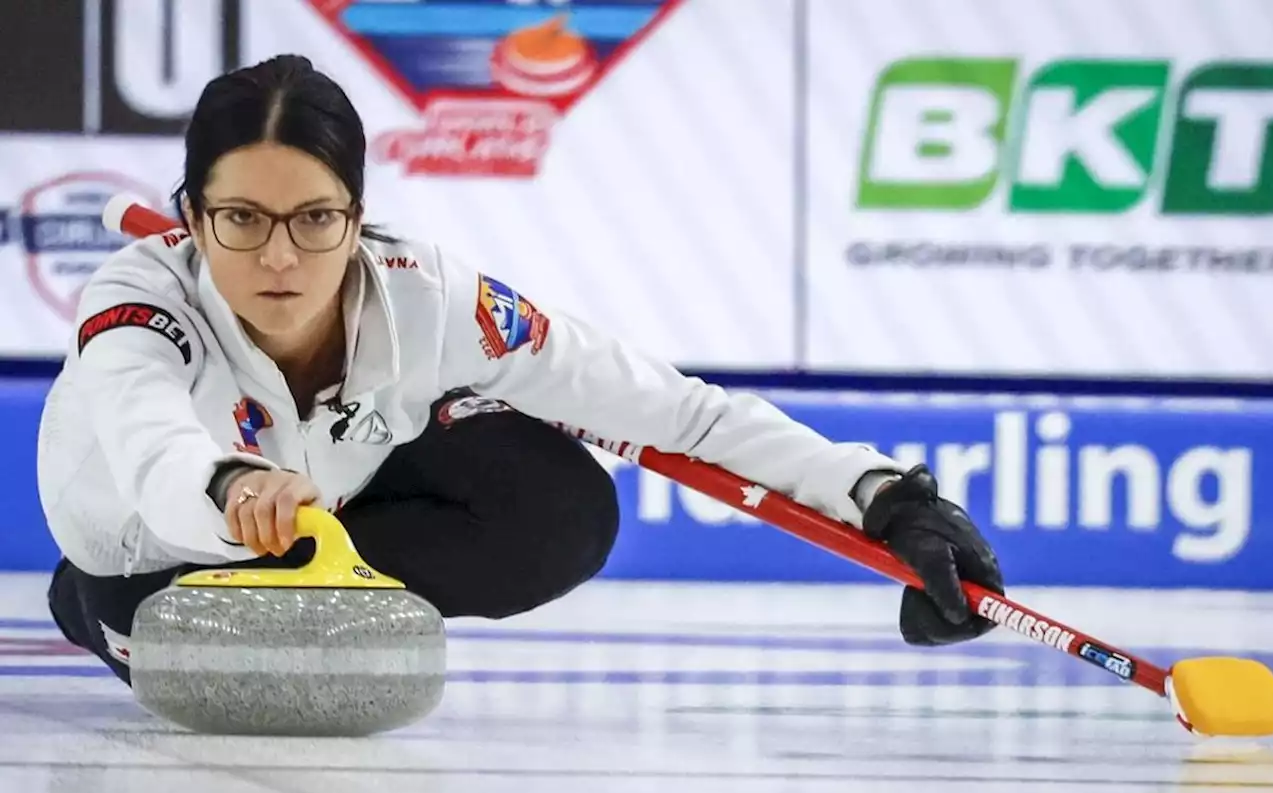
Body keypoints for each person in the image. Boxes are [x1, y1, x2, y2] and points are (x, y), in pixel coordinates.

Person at [37, 55, 1004, 685]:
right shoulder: (139, 302)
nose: (281, 258)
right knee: (134, 590)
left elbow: (678, 414)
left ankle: (309, 594)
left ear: (360, 212)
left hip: (324, 505)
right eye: (242, 219)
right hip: (147, 545)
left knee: (562, 508)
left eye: (316, 218)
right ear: (194, 216)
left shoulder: (428, 296)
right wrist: (232, 484)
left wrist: (878, 494)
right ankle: (96, 610)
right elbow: (152, 448)